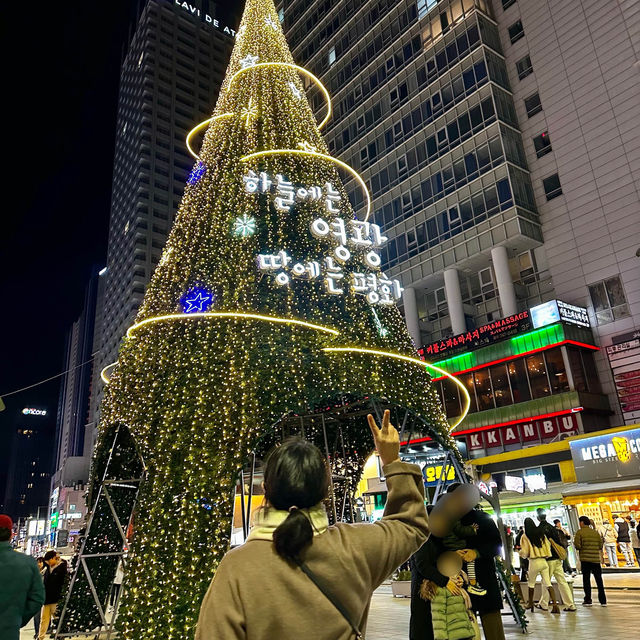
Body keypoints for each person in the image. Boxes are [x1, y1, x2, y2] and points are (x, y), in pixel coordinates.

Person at [196, 410, 430, 639]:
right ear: (325, 492)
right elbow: (410, 524)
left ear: (265, 489)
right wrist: (392, 461)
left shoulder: (237, 567)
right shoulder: (356, 547)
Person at [443, 484, 506, 640]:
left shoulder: (482, 519)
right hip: (460, 588)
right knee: (466, 633)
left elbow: (497, 546)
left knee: (494, 632)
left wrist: (477, 553)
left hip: (485, 583)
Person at [0, 514, 45, 640]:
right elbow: (37, 598)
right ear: (11, 535)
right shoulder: (28, 563)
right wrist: (17, 619)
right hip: (9, 632)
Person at [419, 551, 477, 640]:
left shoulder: (459, 587)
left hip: (464, 634)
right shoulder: (440, 588)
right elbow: (438, 618)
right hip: (452, 636)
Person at [518, 517, 560, 613]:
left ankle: (530, 603)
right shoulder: (541, 534)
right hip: (544, 561)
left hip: (534, 562)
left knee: (531, 583)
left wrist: (519, 552)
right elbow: (548, 546)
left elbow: (525, 552)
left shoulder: (525, 536)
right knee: (548, 583)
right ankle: (554, 605)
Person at [536, 510, 575, 611]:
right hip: (557, 558)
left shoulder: (540, 529)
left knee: (546, 581)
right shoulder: (553, 528)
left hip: (548, 559)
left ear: (538, 518)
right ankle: (570, 604)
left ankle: (544, 604)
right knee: (562, 581)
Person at [442, 519, 486, 596]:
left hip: (449, 546)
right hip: (456, 546)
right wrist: (472, 529)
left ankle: (463, 584)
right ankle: (472, 584)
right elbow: (460, 531)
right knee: (470, 560)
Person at [574, 515, 607, 606]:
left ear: (582, 522)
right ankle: (603, 600)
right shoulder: (595, 532)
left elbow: (577, 545)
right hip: (595, 560)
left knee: (586, 580)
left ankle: (588, 599)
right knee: (599, 580)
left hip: (585, 559)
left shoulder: (579, 532)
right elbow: (600, 546)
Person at [39, 550, 68, 640]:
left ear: (53, 558)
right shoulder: (48, 568)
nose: (47, 563)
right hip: (46, 599)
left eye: (48, 561)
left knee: (57, 618)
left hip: (56, 599)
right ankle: (40, 637)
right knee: (44, 619)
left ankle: (59, 635)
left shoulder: (61, 568)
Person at [33, 558, 46, 639]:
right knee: (36, 615)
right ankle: (37, 632)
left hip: (45, 596)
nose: (39, 564)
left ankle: (44, 630)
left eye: (40, 562)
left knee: (45, 616)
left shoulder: (46, 572)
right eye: (37, 562)